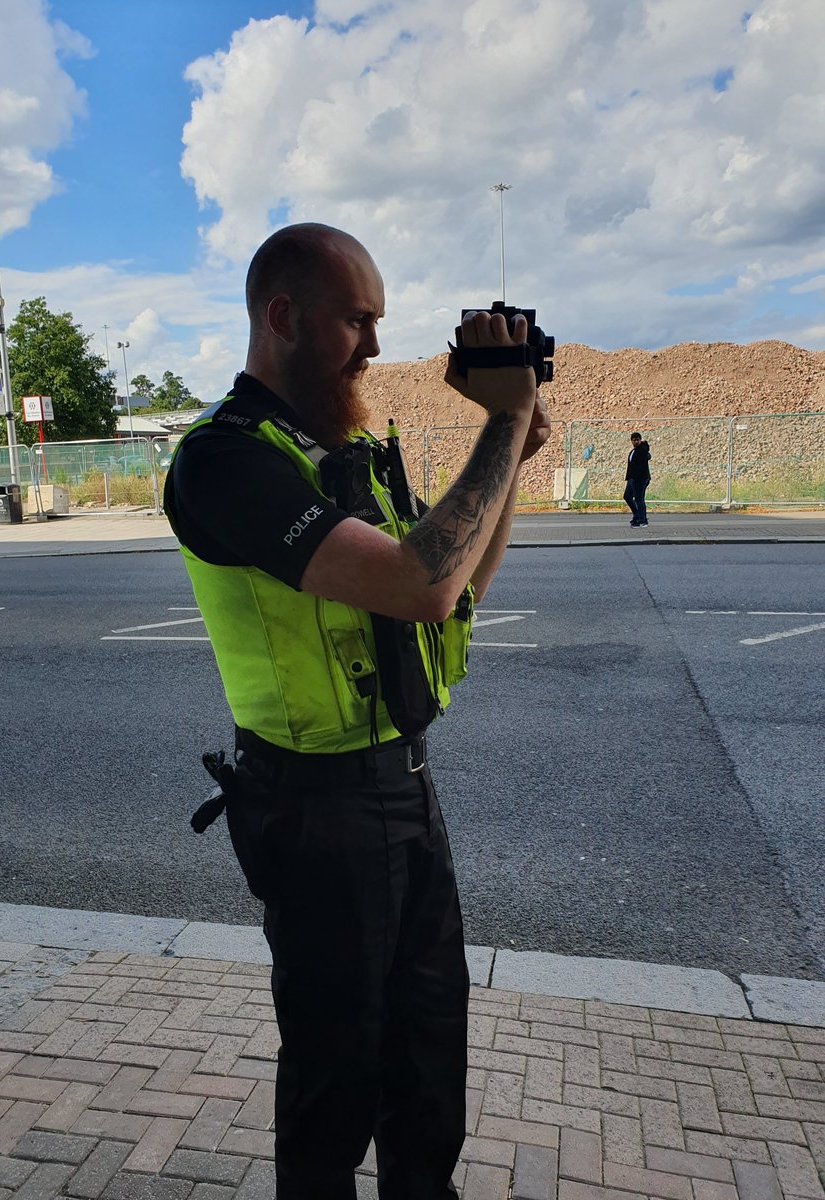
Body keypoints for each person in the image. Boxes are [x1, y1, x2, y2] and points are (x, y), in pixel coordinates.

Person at [164, 222, 550, 1200]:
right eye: (356, 321)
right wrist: (500, 427)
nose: (374, 347)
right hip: (316, 812)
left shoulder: (344, 451)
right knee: (335, 1094)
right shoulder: (221, 460)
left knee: (429, 1080)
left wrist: (509, 447)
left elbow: (451, 589)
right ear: (284, 317)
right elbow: (420, 581)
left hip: (406, 792)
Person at [624, 430, 651, 526]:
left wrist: (636, 477)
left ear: (640, 440)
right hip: (632, 478)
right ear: (631, 441)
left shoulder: (642, 450)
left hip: (640, 479)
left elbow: (646, 457)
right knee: (627, 496)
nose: (636, 442)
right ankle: (637, 515)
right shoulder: (633, 451)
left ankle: (642, 520)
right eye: (634, 440)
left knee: (639, 499)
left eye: (638, 440)